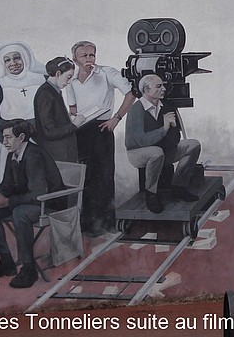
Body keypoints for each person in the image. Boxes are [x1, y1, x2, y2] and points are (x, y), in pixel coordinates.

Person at [0, 119, 66, 289]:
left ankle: (29, 269)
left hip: (50, 204)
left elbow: (39, 193)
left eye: (8, 137)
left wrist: (8, 201)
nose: (4, 141)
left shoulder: (33, 155)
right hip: (28, 202)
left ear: (21, 137)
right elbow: (7, 185)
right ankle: (6, 261)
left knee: (20, 213)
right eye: (4, 137)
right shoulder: (13, 153)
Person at [67, 40, 136, 236]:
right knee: (85, 177)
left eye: (92, 55)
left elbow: (131, 94)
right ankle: (88, 225)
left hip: (102, 129)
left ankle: (106, 224)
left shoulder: (107, 73)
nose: (89, 59)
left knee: (104, 177)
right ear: (75, 59)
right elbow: (73, 108)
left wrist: (117, 118)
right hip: (80, 131)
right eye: (84, 56)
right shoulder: (71, 79)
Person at [124, 74, 201, 214]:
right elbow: (141, 141)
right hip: (137, 152)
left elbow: (175, 138)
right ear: (146, 90)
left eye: (163, 85)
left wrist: (173, 129)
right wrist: (164, 129)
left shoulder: (165, 106)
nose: (164, 89)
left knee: (193, 145)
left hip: (162, 150)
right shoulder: (136, 109)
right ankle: (151, 194)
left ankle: (178, 186)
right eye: (159, 86)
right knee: (156, 152)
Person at [0, 42, 46, 190]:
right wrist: (11, 135)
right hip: (9, 144)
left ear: (25, 58)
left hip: (39, 140)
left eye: (17, 58)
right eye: (7, 60)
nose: (13, 63)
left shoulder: (41, 80)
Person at [33, 56, 84, 163]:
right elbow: (49, 132)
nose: (69, 82)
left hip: (62, 154)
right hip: (56, 155)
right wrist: (74, 125)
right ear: (58, 74)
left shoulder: (53, 90)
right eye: (68, 77)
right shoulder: (45, 93)